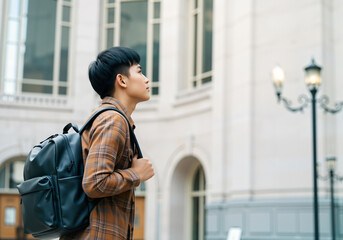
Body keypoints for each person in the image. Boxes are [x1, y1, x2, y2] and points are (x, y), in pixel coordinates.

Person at [61, 47, 154, 240]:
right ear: (121, 80)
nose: (146, 79)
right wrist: (136, 174)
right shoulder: (113, 119)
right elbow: (95, 182)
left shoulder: (110, 118)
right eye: (139, 71)